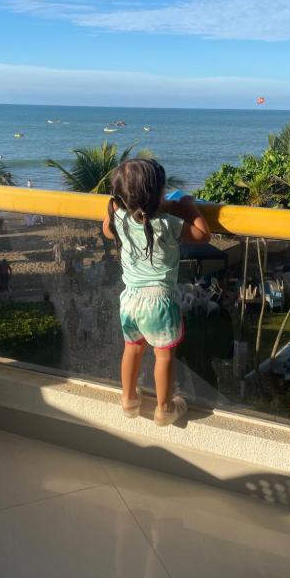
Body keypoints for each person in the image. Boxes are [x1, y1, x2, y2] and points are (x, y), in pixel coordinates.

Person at [103, 158, 211, 426]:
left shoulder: (119, 219)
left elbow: (106, 229)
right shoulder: (167, 223)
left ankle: (128, 400)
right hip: (159, 302)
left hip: (129, 299)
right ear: (158, 194)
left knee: (132, 349)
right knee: (163, 356)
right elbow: (203, 235)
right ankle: (164, 408)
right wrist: (187, 206)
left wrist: (118, 206)